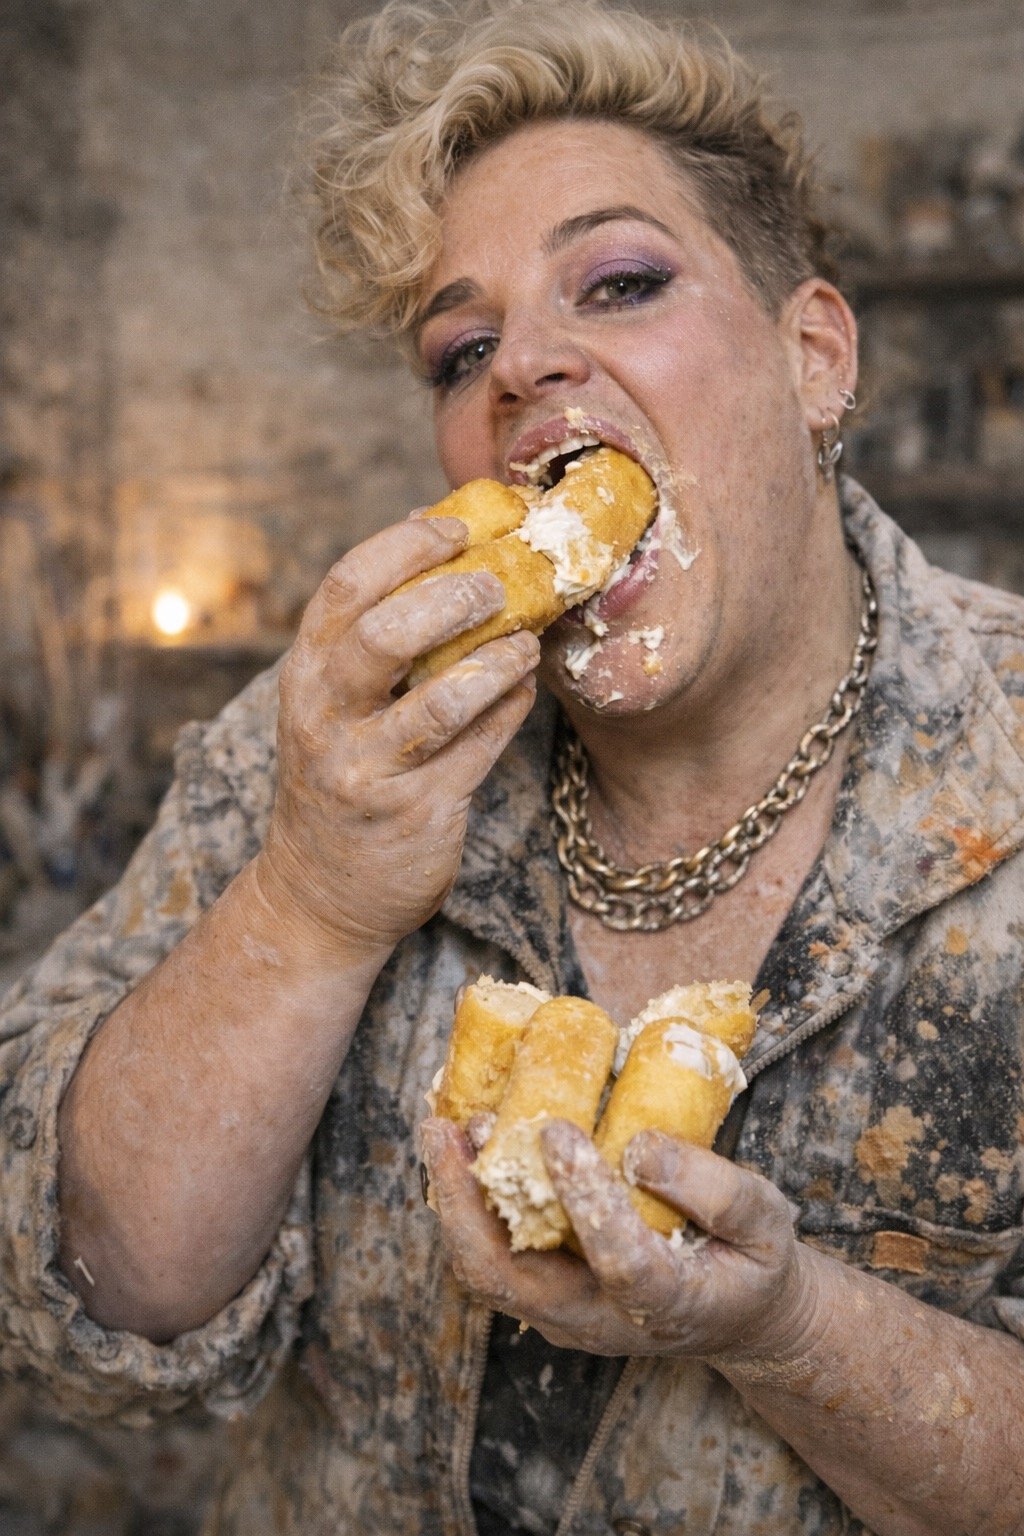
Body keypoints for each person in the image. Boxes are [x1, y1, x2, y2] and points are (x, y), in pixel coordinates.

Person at [1, 1, 1022, 1531]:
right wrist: (313, 896)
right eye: (460, 348)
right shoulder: (335, 738)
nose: (525, 365)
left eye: (619, 283)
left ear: (814, 357)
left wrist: (789, 1328)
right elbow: (90, 1303)